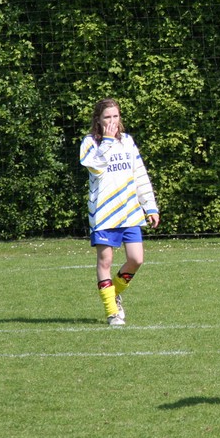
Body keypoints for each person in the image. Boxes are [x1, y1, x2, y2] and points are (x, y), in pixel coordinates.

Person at [79, 98, 161, 326]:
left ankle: (113, 293)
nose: (112, 121)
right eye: (107, 117)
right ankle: (112, 312)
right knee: (105, 261)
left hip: (130, 212)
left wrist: (150, 206)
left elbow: (139, 174)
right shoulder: (89, 143)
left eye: (115, 116)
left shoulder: (127, 141)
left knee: (136, 259)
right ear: (98, 120)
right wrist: (106, 141)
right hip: (104, 214)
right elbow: (96, 168)